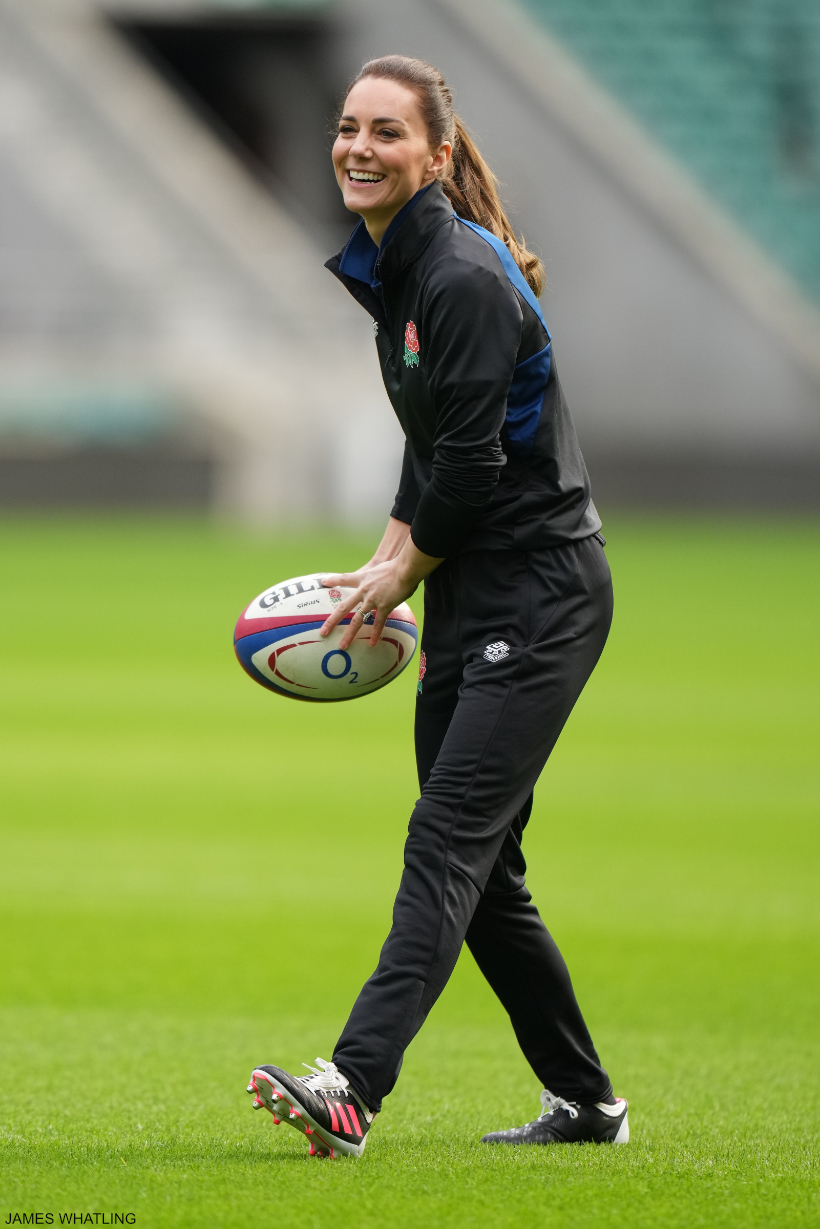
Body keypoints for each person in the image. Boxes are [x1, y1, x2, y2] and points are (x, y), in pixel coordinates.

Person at [246, 55, 627, 1159]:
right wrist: (381, 560)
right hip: (476, 587)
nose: (358, 147)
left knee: (446, 839)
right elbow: (434, 446)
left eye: (386, 133)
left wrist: (399, 572)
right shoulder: (405, 267)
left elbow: (466, 464)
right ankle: (587, 1102)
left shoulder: (455, 274)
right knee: (485, 865)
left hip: (542, 592)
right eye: (345, 127)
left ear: (436, 156)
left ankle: (351, 1084)